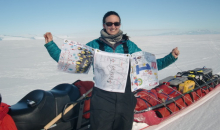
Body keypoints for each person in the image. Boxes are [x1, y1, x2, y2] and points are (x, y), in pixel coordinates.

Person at [44, 11, 180, 130]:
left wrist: (171, 58)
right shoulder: (95, 45)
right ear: (104, 25)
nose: (113, 26)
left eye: (116, 23)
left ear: (120, 25)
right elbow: (70, 61)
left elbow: (148, 67)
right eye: (109, 24)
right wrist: (50, 45)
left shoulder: (129, 46)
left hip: (125, 99)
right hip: (102, 100)